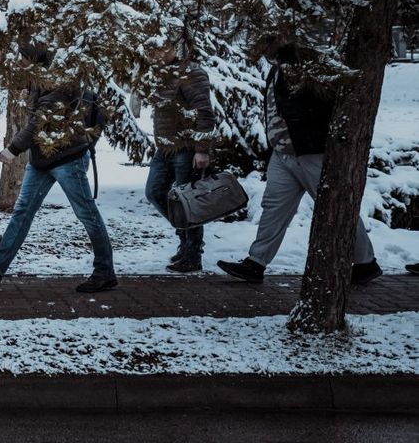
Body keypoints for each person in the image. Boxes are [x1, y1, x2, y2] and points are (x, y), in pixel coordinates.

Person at [217, 39, 381, 285]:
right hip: (283, 153)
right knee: (273, 207)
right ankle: (256, 262)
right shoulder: (276, 69)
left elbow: (325, 106)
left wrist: (313, 137)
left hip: (311, 151)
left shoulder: (309, 66)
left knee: (333, 206)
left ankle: (365, 262)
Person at [0, 40, 117, 293]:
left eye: (22, 57)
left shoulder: (54, 82)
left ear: (35, 59)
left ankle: (105, 272)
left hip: (67, 159)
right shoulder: (39, 81)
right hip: (43, 160)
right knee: (23, 211)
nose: (18, 62)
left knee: (86, 213)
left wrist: (13, 149)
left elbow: (37, 124)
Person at [141, 33, 216, 273]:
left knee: (188, 202)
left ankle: (193, 252)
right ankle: (184, 239)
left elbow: (204, 112)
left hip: (185, 149)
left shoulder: (191, 73)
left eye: (160, 50)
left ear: (173, 48)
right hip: (164, 148)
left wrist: (202, 150)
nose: (154, 56)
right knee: (154, 192)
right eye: (150, 52)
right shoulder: (161, 75)